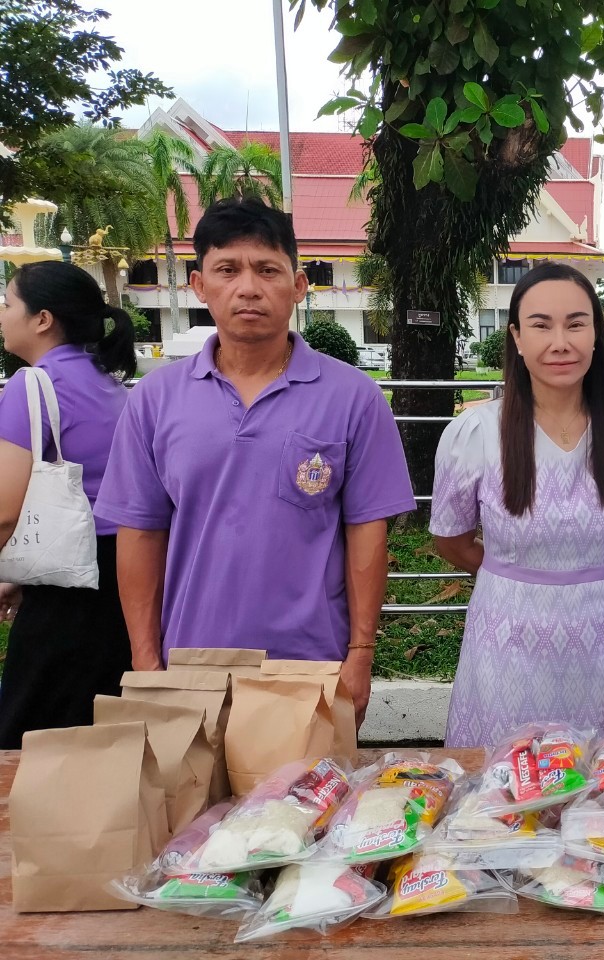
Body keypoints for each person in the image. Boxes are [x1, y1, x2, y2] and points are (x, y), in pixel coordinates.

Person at [94, 198, 416, 725]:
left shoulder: (354, 398)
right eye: (228, 270)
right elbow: (140, 532)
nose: (248, 288)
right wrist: (147, 659)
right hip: (189, 664)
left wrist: (360, 654)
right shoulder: (155, 400)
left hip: (311, 664)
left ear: (299, 285)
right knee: (192, 808)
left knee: (305, 807)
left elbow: (366, 531)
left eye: (268, 270)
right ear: (200, 286)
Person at [430, 263, 604, 747]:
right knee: (502, 794)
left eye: (575, 324)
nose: (560, 342)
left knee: (598, 795)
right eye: (541, 325)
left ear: (596, 335)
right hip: (505, 644)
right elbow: (450, 538)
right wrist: (511, 568)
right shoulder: (477, 433)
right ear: (517, 339)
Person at [0, 261, 135, 747]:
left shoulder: (32, 385)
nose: (3, 312)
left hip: (67, 593)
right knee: (98, 732)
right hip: (123, 578)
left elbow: (3, 512)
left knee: (28, 734)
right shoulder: (112, 386)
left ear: (42, 319)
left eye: (9, 302)